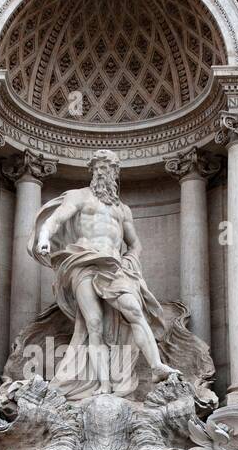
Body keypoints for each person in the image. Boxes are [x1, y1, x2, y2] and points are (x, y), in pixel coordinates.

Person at [31, 149, 179, 398]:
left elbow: (135, 244)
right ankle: (103, 386)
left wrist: (131, 260)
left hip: (113, 266)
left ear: (115, 174)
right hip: (83, 262)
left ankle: (156, 367)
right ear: (92, 172)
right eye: (98, 168)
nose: (102, 172)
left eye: (108, 168)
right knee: (94, 324)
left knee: (134, 310)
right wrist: (44, 237)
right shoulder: (79, 197)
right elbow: (55, 220)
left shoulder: (123, 210)